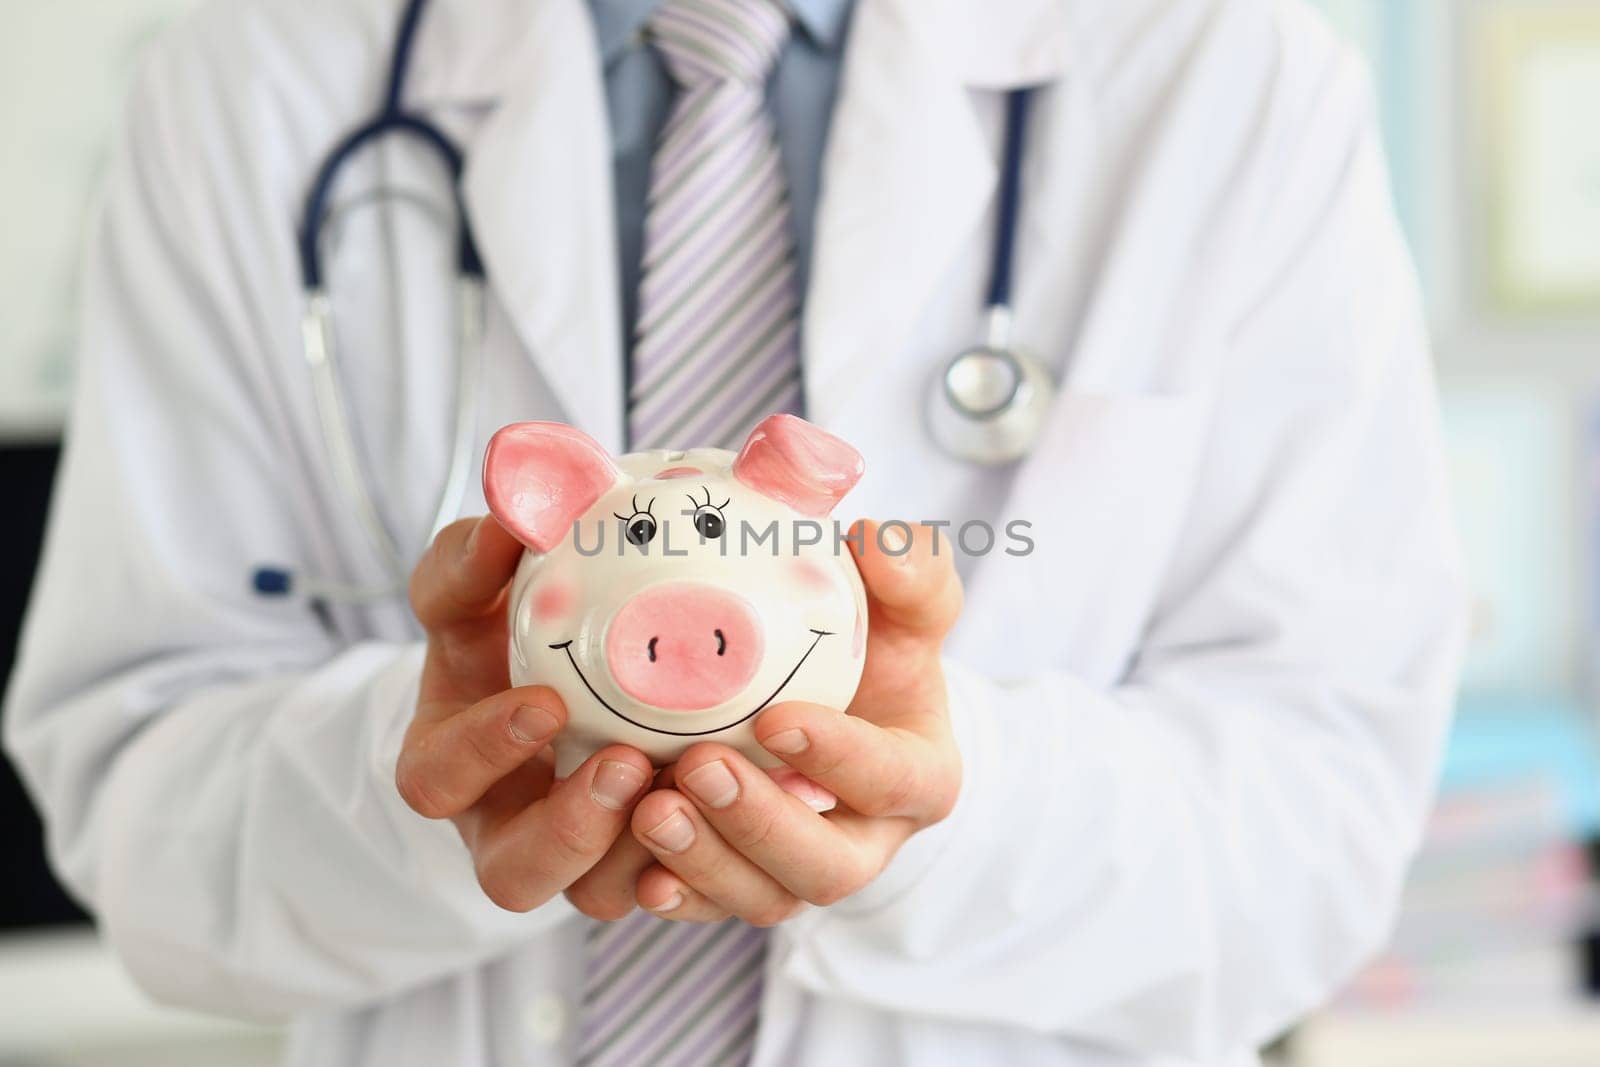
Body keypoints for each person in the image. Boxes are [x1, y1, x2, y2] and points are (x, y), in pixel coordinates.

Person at [3, 0, 1467, 1064]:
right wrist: (426, 783)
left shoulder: (1236, 82)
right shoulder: (248, 81)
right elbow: (136, 807)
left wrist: (941, 816)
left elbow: (1319, 830)